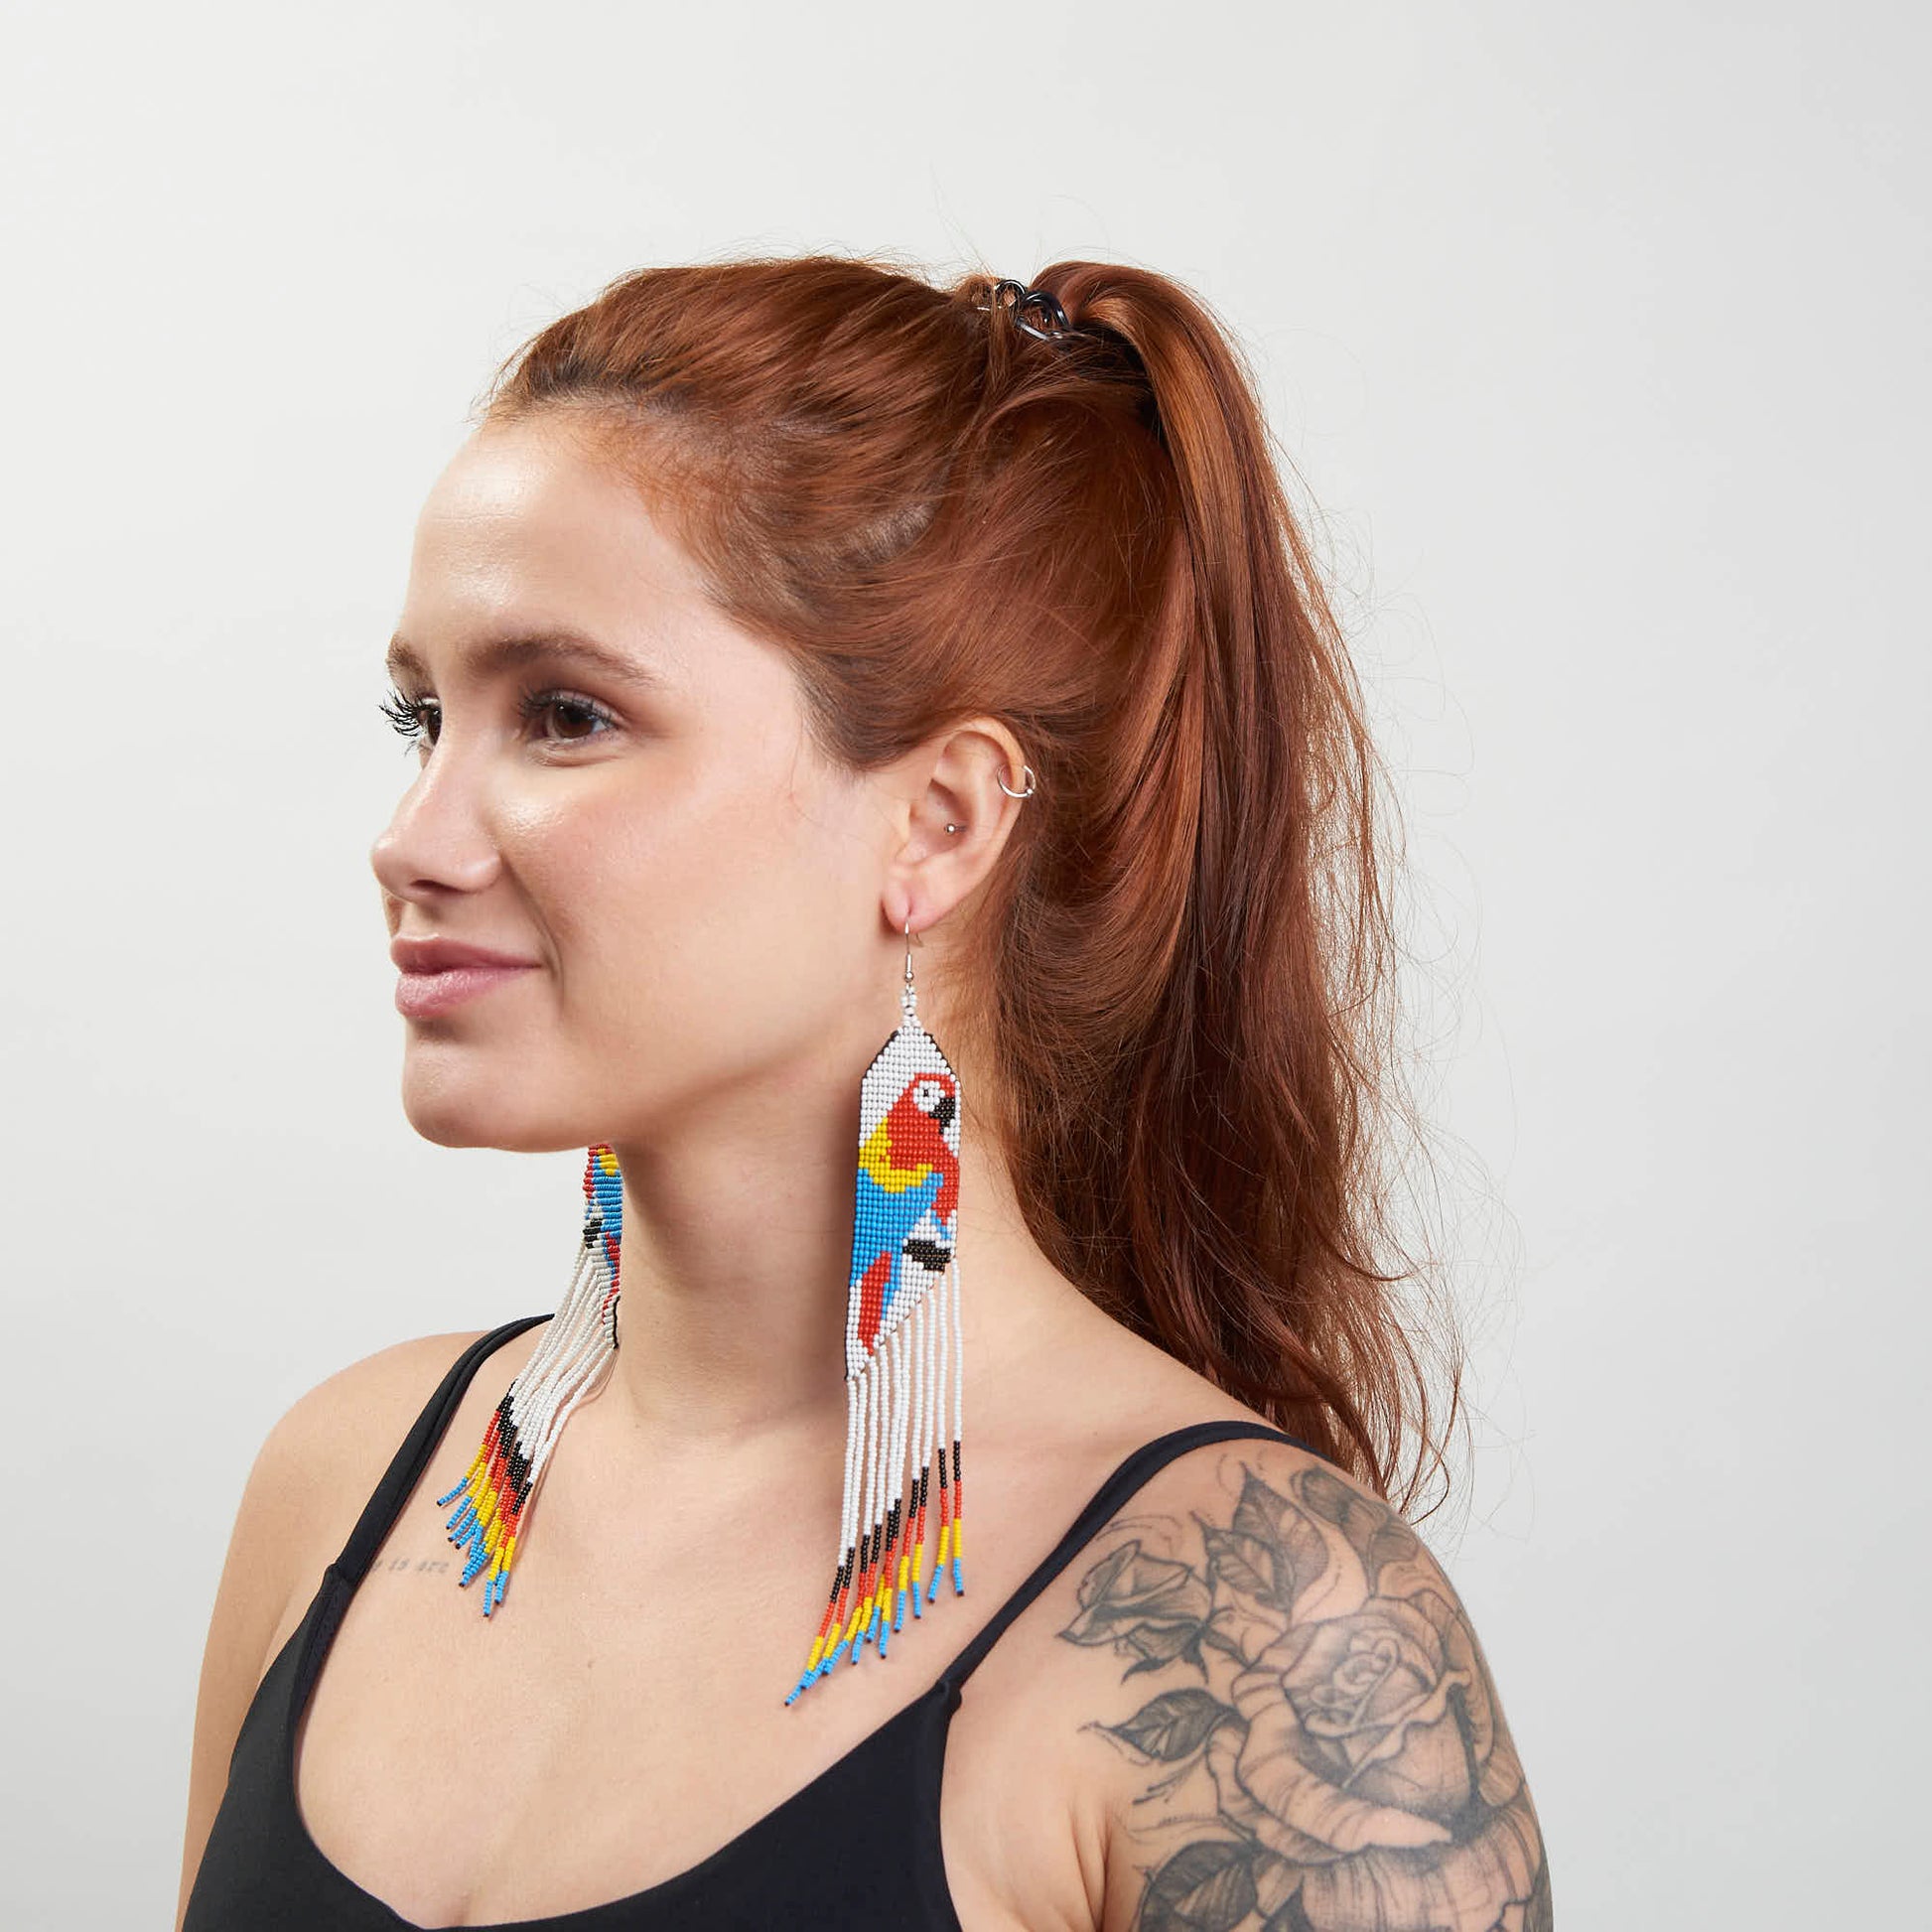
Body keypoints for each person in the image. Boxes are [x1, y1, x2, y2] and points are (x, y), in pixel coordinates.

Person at [176, 255, 1552, 1931]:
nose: (413, 837)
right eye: (422, 715)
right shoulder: (347, 1478)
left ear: (939, 824)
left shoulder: (1267, 1631)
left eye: (564, 715)